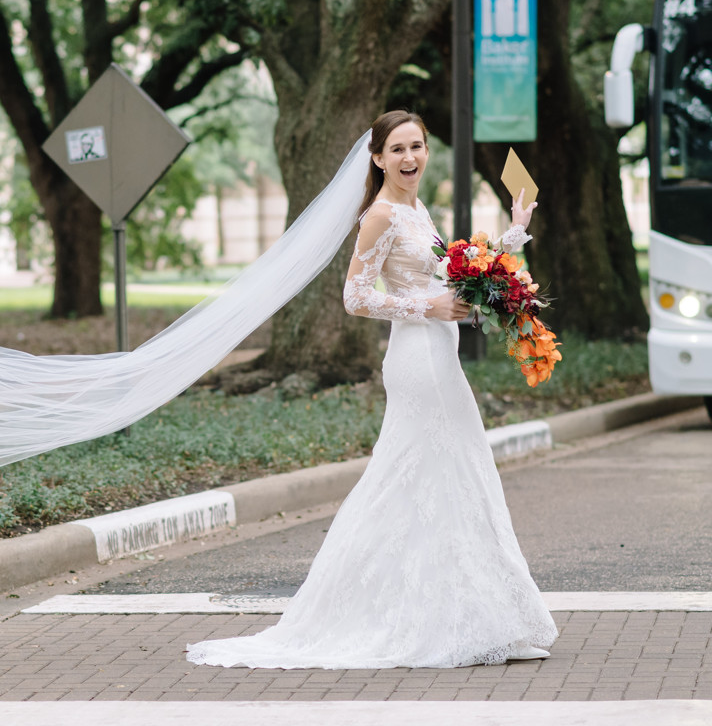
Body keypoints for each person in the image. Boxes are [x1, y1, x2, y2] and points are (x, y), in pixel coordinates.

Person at [185, 111, 558, 669]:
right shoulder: (379, 216)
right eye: (399, 149)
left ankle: (485, 619)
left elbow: (451, 280)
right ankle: (461, 624)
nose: (411, 158)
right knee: (433, 477)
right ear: (379, 158)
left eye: (419, 147)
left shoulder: (415, 208)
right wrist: (424, 307)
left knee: (454, 477)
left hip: (440, 353)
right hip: (416, 358)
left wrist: (514, 229)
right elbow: (355, 296)